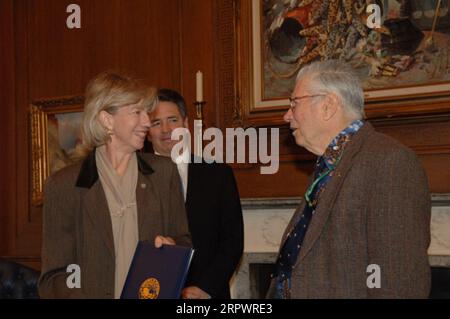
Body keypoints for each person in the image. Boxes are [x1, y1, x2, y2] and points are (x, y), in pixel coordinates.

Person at [267, 60, 431, 298]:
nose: (286, 116)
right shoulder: (329, 165)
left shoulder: (389, 162)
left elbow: (399, 281)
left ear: (328, 105)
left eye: (294, 103)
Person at [38, 72, 191, 299]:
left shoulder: (163, 173)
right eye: (137, 113)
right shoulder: (64, 186)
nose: (147, 122)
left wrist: (172, 245)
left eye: (146, 113)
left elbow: (184, 239)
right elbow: (54, 278)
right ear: (107, 120)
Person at [146, 89, 244, 299]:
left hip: (208, 294)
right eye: (156, 123)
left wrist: (205, 287)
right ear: (147, 131)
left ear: (185, 124)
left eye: (172, 120)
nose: (165, 130)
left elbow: (232, 242)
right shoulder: (134, 176)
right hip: (151, 291)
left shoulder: (218, 174)